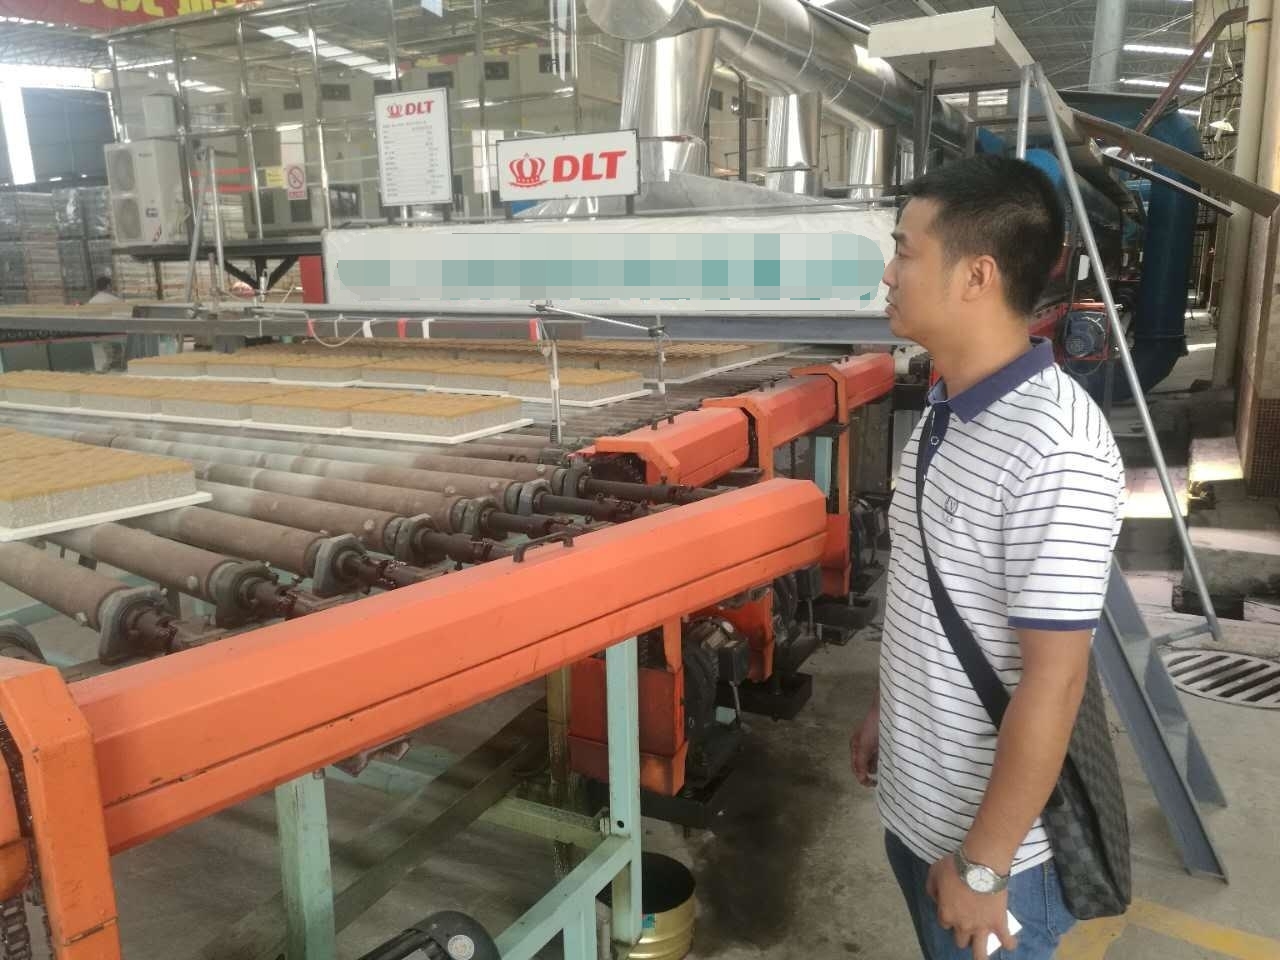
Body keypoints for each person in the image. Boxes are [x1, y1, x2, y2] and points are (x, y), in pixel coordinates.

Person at [850, 155, 1125, 959]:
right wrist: (890, 709)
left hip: (995, 860)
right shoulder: (949, 409)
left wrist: (983, 864)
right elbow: (938, 602)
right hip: (918, 812)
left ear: (976, 275)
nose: (889, 273)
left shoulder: (1055, 448)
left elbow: (1056, 679)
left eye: (904, 251)